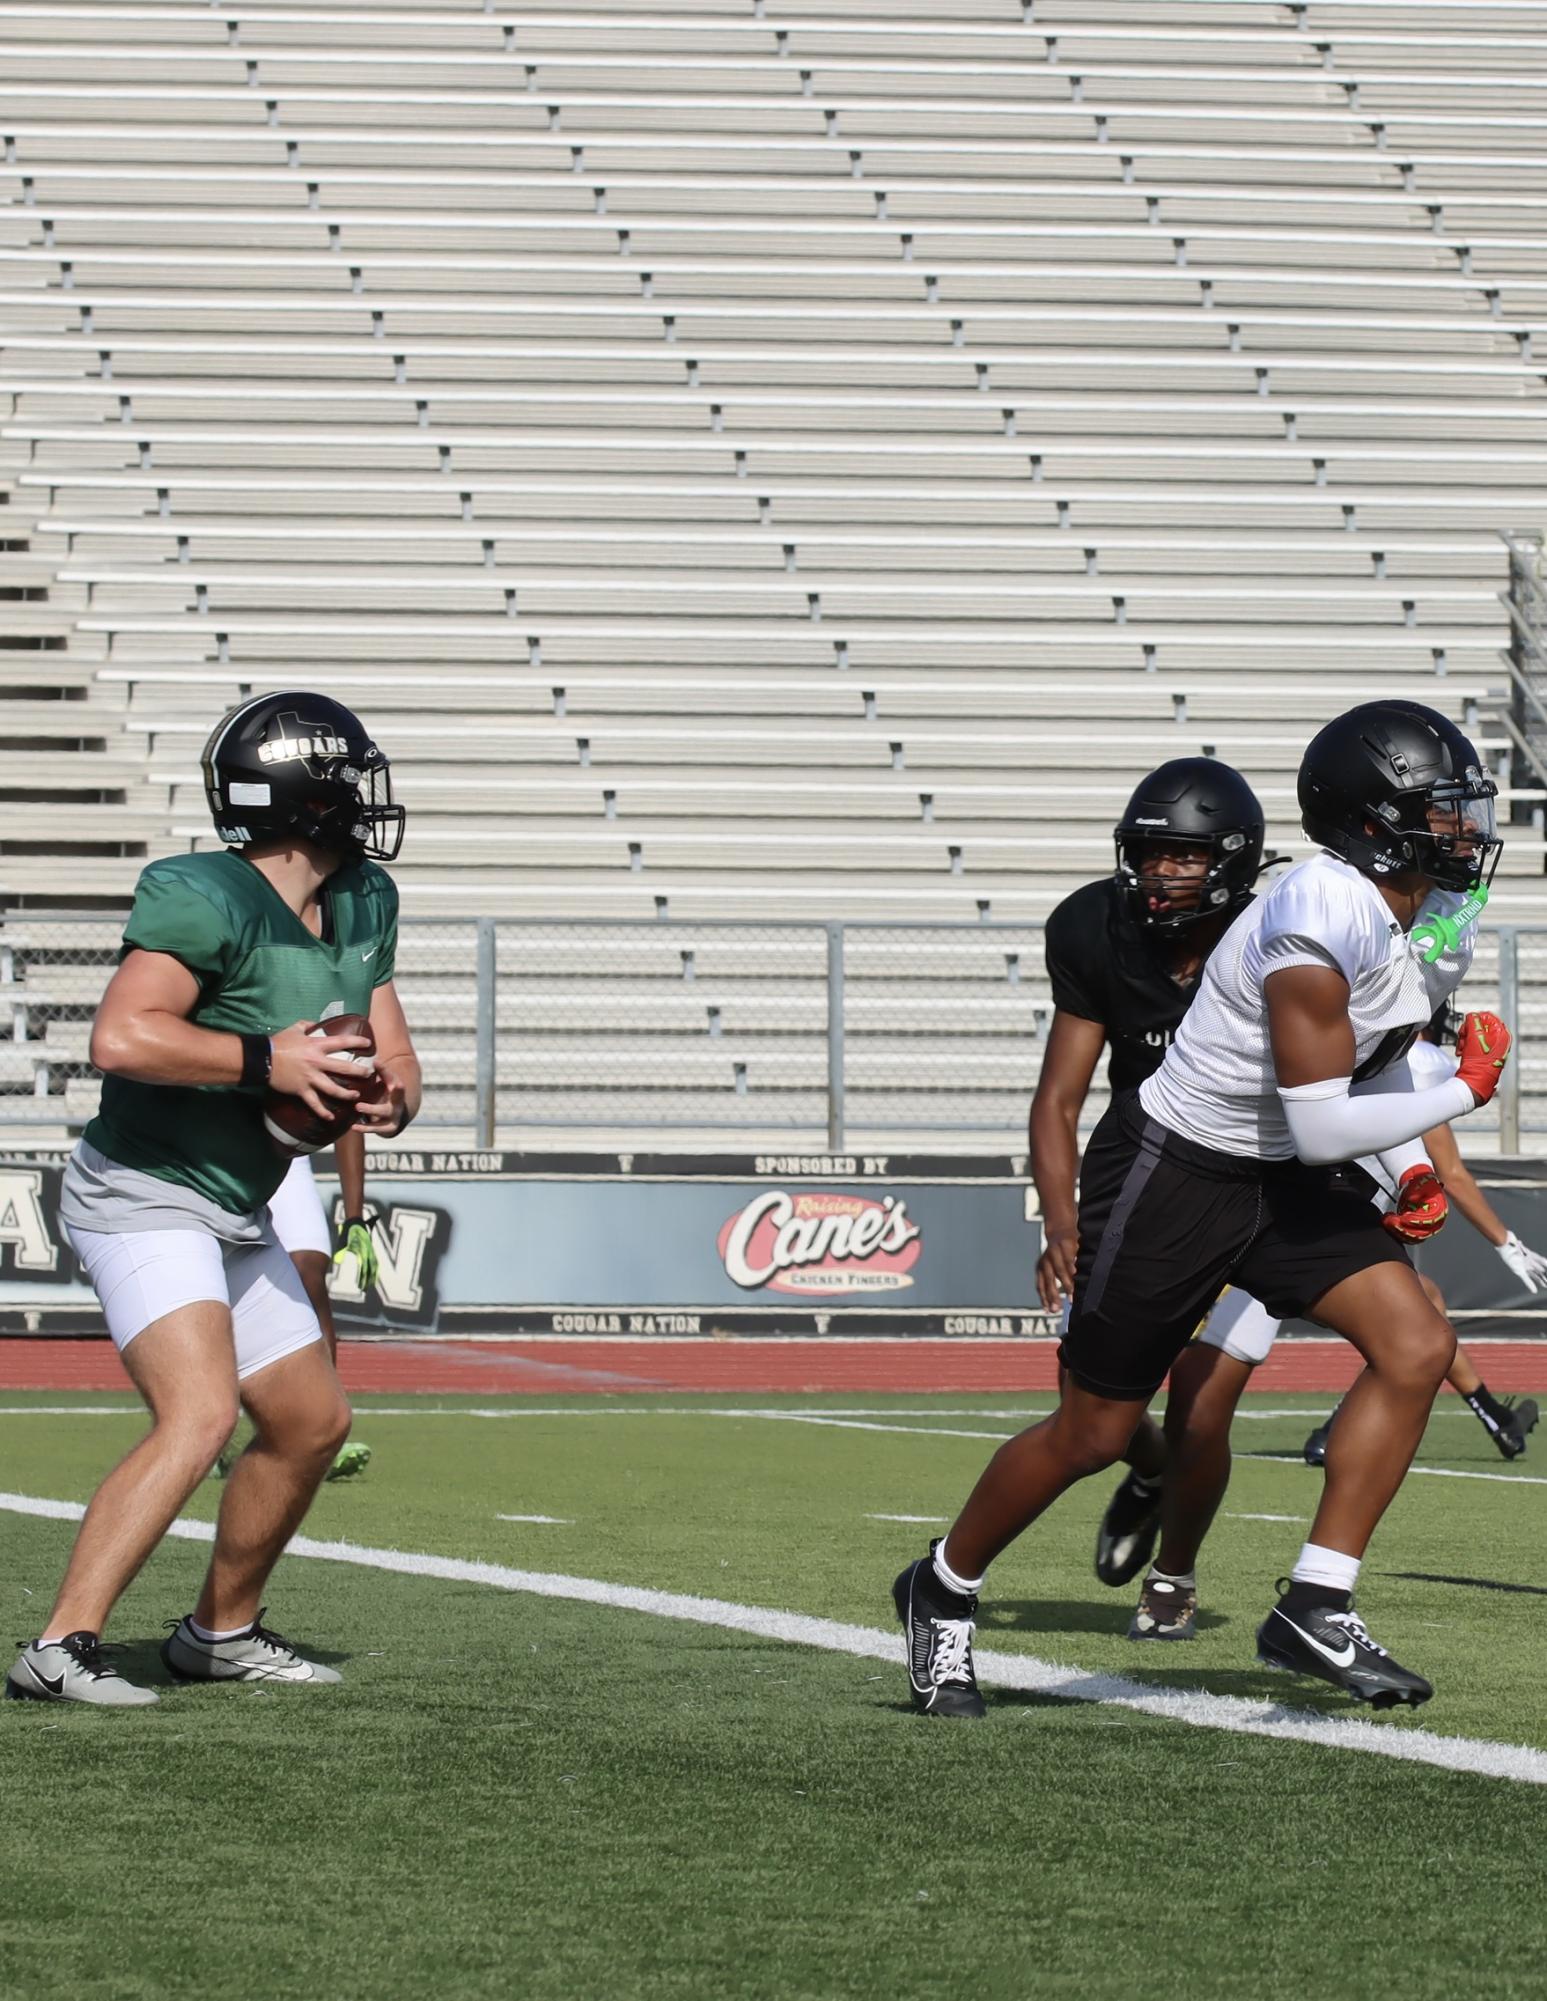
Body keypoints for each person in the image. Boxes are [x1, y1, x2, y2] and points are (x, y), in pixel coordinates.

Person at [894, 698, 1507, 1716]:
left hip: (1273, 1174)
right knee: (1095, 1435)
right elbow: (1318, 1121)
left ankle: (1315, 1600)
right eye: (1439, 809)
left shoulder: (1406, 912)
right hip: (1178, 1170)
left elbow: (1363, 1074)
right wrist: (1462, 1092)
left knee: (1414, 1345)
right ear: (1372, 819)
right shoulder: (1319, 918)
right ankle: (941, 1586)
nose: (1462, 829)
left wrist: (1405, 1157)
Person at [5, 691, 419, 1708]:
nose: (367, 798)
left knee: (311, 1421)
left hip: (238, 1199)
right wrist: (265, 1059)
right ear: (306, 797)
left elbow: (391, 1049)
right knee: (194, 1419)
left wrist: (387, 1092)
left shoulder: (362, 897)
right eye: (347, 779)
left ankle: (218, 1634)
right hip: (143, 1193)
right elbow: (123, 1037)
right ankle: (60, 1648)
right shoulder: (202, 893)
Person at [1122, 1001, 1544, 1647]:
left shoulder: (1414, 1052)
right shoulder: (1314, 998)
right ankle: (1172, 1563)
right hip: (1263, 1204)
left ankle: (1319, 1589)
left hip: (1342, 1228)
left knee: (1416, 1341)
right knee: (1193, 1401)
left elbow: (1432, 1155)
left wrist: (1412, 1176)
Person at [1032, 757, 1267, 1589]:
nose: (1160, 872)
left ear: (1232, 860)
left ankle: (1174, 1573)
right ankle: (1148, 1471)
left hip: (1247, 1184)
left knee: (1203, 1402)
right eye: (1148, 853)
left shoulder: (1275, 932)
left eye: (1184, 856)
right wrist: (1060, 1223)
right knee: (1092, 1409)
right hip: (1136, 1176)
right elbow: (1058, 1097)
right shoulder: (1095, 927)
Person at [221, 1140, 381, 1481]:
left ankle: (322, 1432)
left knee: (309, 1273)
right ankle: (218, 1422)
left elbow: (350, 1120)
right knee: (213, 1290)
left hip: (286, 1160)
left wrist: (354, 1219)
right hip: (215, 1158)